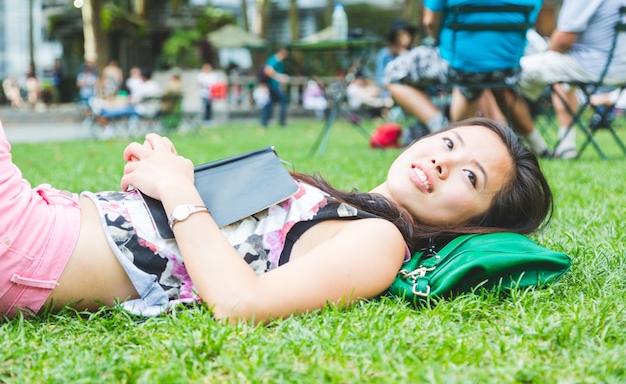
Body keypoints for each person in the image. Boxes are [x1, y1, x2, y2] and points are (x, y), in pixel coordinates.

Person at [0, 116, 554, 323]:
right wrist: (167, 177)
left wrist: (177, 190)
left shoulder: (381, 242)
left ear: (476, 223)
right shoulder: (352, 208)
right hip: (46, 224)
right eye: (450, 142)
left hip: (33, 245)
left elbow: (242, 304)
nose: (441, 159)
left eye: (470, 177)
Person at [384, 0, 551, 157]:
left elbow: (430, 21)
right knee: (489, 81)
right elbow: (531, 18)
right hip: (506, 67)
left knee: (393, 71)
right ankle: (539, 146)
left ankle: (440, 127)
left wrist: (443, 44)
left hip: (461, 66)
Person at [512, 0, 626, 158]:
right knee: (563, 74)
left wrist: (547, 50)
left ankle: (538, 147)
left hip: (594, 66)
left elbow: (563, 40)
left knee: (504, 74)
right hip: (618, 67)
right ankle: (566, 147)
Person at [375, 19, 417, 98]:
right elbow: (380, 78)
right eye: (401, 35)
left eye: (408, 34)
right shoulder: (385, 54)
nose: (406, 38)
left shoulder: (415, 53)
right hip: (390, 93)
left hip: (412, 93)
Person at [260, 47, 290, 127]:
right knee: (284, 101)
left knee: (271, 102)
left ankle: (264, 121)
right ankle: (282, 121)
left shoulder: (279, 62)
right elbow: (267, 70)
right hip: (273, 85)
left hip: (276, 85)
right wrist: (279, 77)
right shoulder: (274, 60)